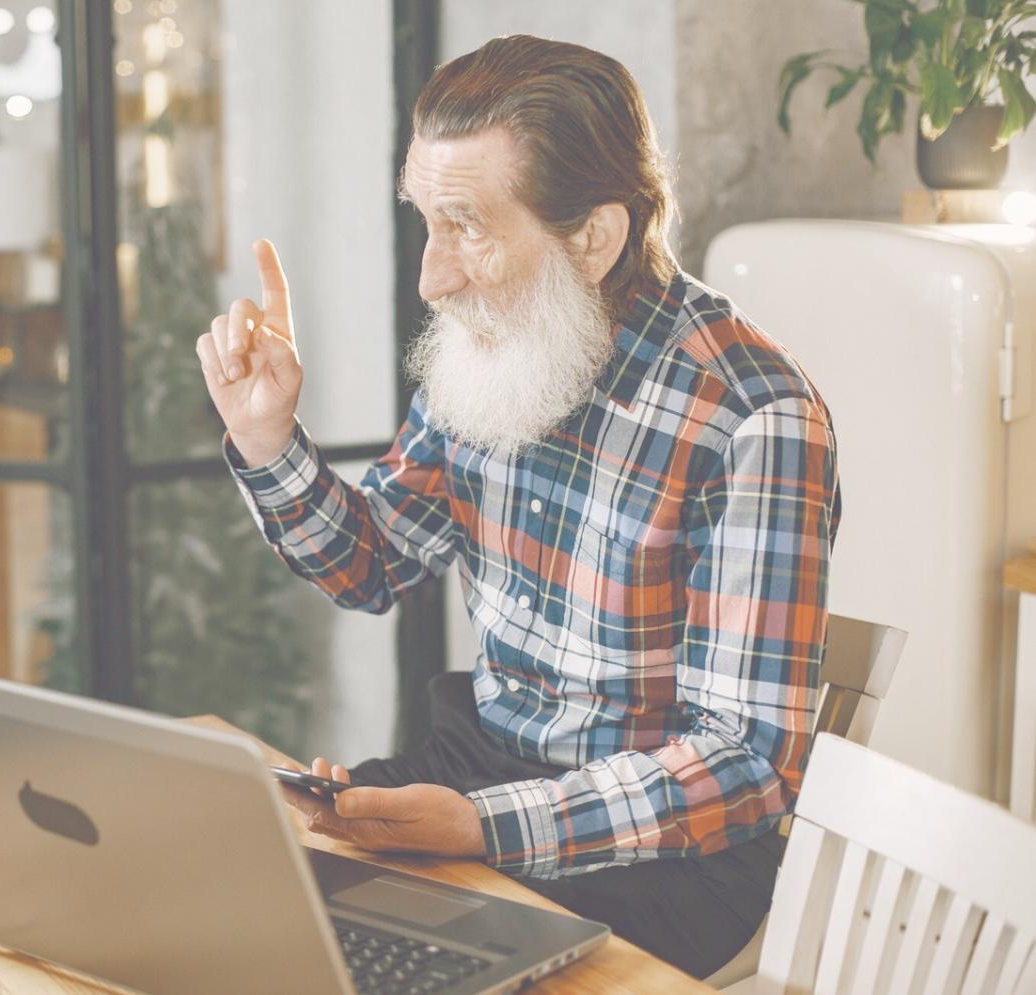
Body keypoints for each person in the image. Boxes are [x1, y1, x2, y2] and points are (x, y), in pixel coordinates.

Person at [195, 34, 840, 980]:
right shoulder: (495, 341)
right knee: (229, 903)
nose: (431, 276)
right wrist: (265, 440)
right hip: (473, 763)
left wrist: (480, 827)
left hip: (665, 851)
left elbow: (744, 764)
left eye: (466, 226)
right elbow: (371, 563)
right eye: (425, 220)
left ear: (593, 236)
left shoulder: (756, 419)